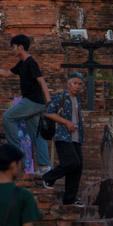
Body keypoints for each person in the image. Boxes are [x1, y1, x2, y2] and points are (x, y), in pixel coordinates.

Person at [1, 34, 51, 174]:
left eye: (13, 47)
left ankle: (18, 157)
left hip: (33, 101)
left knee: (7, 117)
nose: (12, 50)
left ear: (20, 47)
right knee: (36, 134)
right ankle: (44, 166)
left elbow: (42, 81)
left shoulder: (30, 62)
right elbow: (7, 73)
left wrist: (49, 102)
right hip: (32, 103)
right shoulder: (22, 63)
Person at [39, 73, 86, 205]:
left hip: (76, 138)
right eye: (74, 83)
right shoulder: (61, 96)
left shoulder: (78, 100)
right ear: (69, 84)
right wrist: (66, 122)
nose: (77, 86)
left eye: (80, 84)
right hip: (63, 136)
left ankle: (70, 199)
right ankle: (47, 178)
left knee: (78, 167)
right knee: (71, 163)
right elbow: (48, 112)